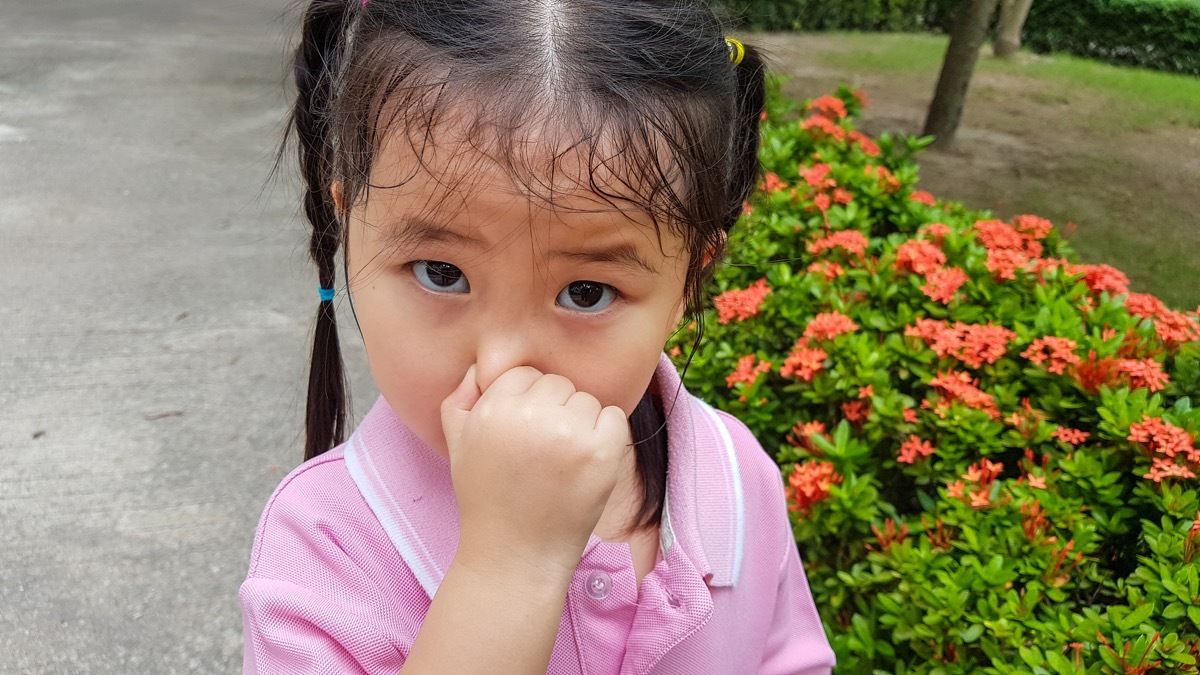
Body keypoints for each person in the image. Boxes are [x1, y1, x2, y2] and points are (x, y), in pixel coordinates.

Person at [239, 0, 836, 672]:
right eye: (441, 273)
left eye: (587, 292)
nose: (501, 365)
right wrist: (509, 565)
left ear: (689, 284)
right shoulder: (325, 543)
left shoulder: (733, 475)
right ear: (350, 230)